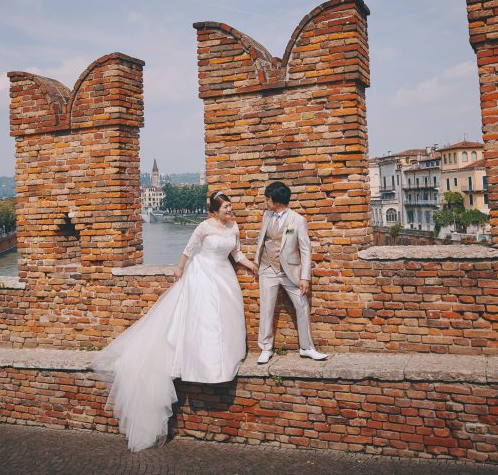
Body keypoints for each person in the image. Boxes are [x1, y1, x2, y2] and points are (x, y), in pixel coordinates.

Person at [92, 191, 258, 452]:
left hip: (224, 277)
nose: (230, 210)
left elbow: (236, 254)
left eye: (231, 206)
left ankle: (226, 362)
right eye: (227, 207)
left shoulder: (234, 226)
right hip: (202, 275)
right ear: (215, 210)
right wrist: (180, 269)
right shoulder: (204, 227)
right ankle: (200, 365)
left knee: (225, 320)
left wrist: (251, 266)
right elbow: (188, 250)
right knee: (204, 323)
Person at [253, 181, 328, 365]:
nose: (265, 201)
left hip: (291, 272)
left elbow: (305, 250)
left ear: (277, 200)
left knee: (302, 305)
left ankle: (306, 348)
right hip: (267, 269)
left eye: (267, 198)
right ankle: (266, 348)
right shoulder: (267, 215)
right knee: (267, 309)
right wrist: (257, 262)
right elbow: (263, 239)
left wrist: (305, 277)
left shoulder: (297, 220)